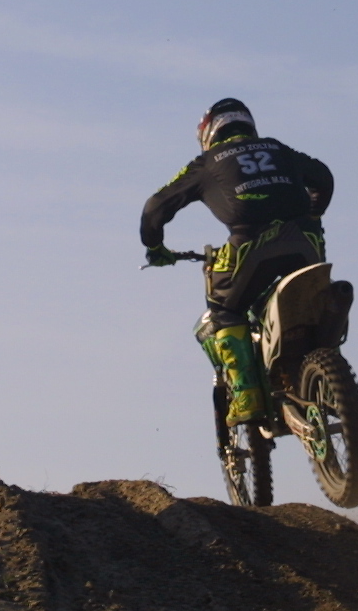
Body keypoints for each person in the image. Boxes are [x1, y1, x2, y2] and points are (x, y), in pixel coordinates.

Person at [142, 99, 335, 425]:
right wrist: (313, 214)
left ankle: (248, 395)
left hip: (250, 246)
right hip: (306, 244)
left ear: (209, 134)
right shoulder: (278, 149)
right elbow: (324, 177)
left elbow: (155, 207)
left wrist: (155, 247)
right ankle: (328, 365)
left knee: (224, 308)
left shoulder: (207, 162)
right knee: (319, 300)